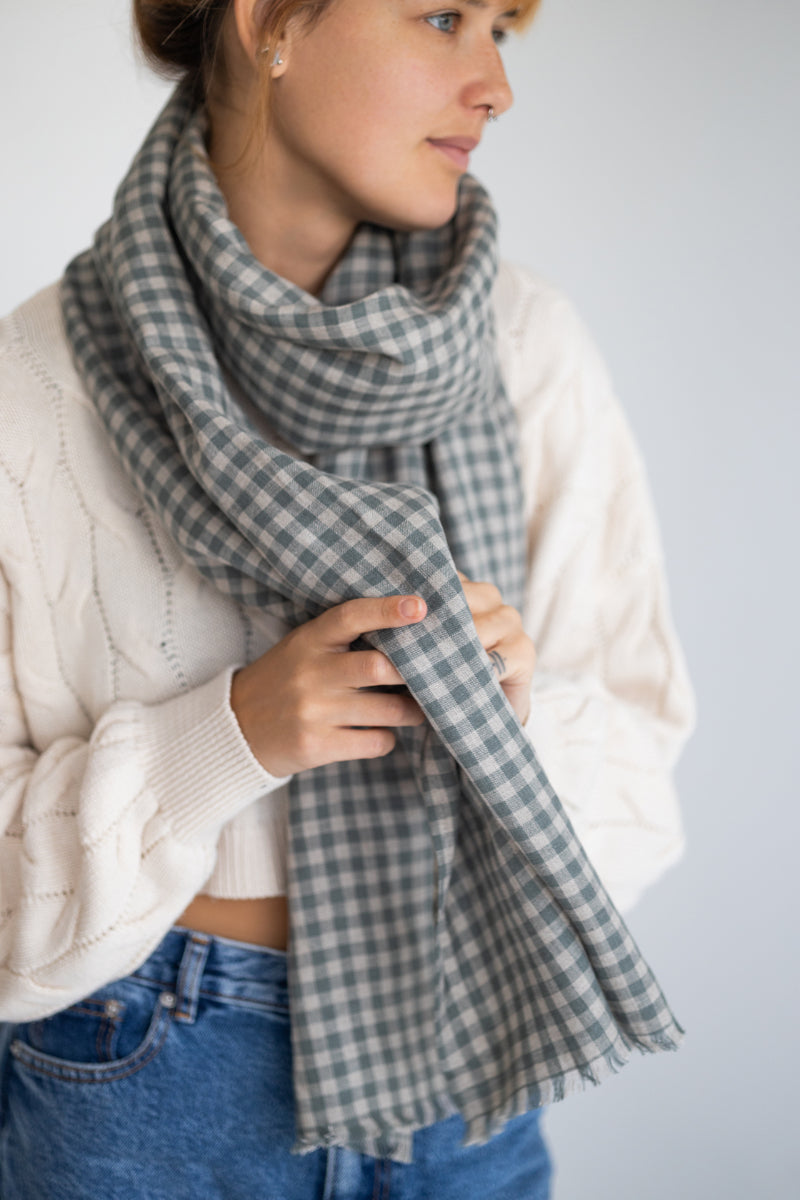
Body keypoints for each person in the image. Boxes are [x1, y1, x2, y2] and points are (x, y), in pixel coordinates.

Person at [0, 0, 696, 1196]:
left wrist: (510, 719)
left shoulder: (525, 346)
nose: (494, 85)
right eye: (442, 18)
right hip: (149, 1078)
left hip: (464, 1062)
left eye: (500, 32)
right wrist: (228, 737)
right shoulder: (33, 393)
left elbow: (642, 771)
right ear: (270, 22)